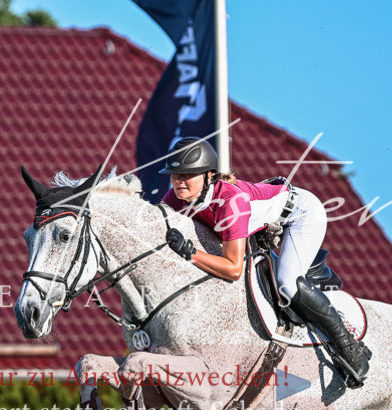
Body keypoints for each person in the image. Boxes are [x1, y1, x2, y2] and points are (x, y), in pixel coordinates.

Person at [159, 137, 370, 387]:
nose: (179, 181)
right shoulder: (175, 198)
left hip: (300, 215)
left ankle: (349, 347)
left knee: (286, 283)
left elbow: (233, 269)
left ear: (209, 175)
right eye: (175, 175)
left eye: (187, 175)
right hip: (264, 223)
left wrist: (192, 253)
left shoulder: (230, 201)